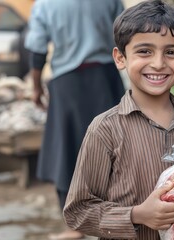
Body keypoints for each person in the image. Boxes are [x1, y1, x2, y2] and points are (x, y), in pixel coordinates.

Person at [63, 0, 174, 239]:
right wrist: (137, 215)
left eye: (171, 52)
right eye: (144, 51)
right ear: (120, 58)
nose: (158, 63)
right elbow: (78, 212)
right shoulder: (105, 129)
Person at [24, 0, 126, 239]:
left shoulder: (46, 4)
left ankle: (74, 226)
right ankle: (117, 214)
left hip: (67, 83)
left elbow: (37, 49)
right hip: (106, 79)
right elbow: (124, 35)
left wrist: (36, 87)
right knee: (115, 146)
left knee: (65, 148)